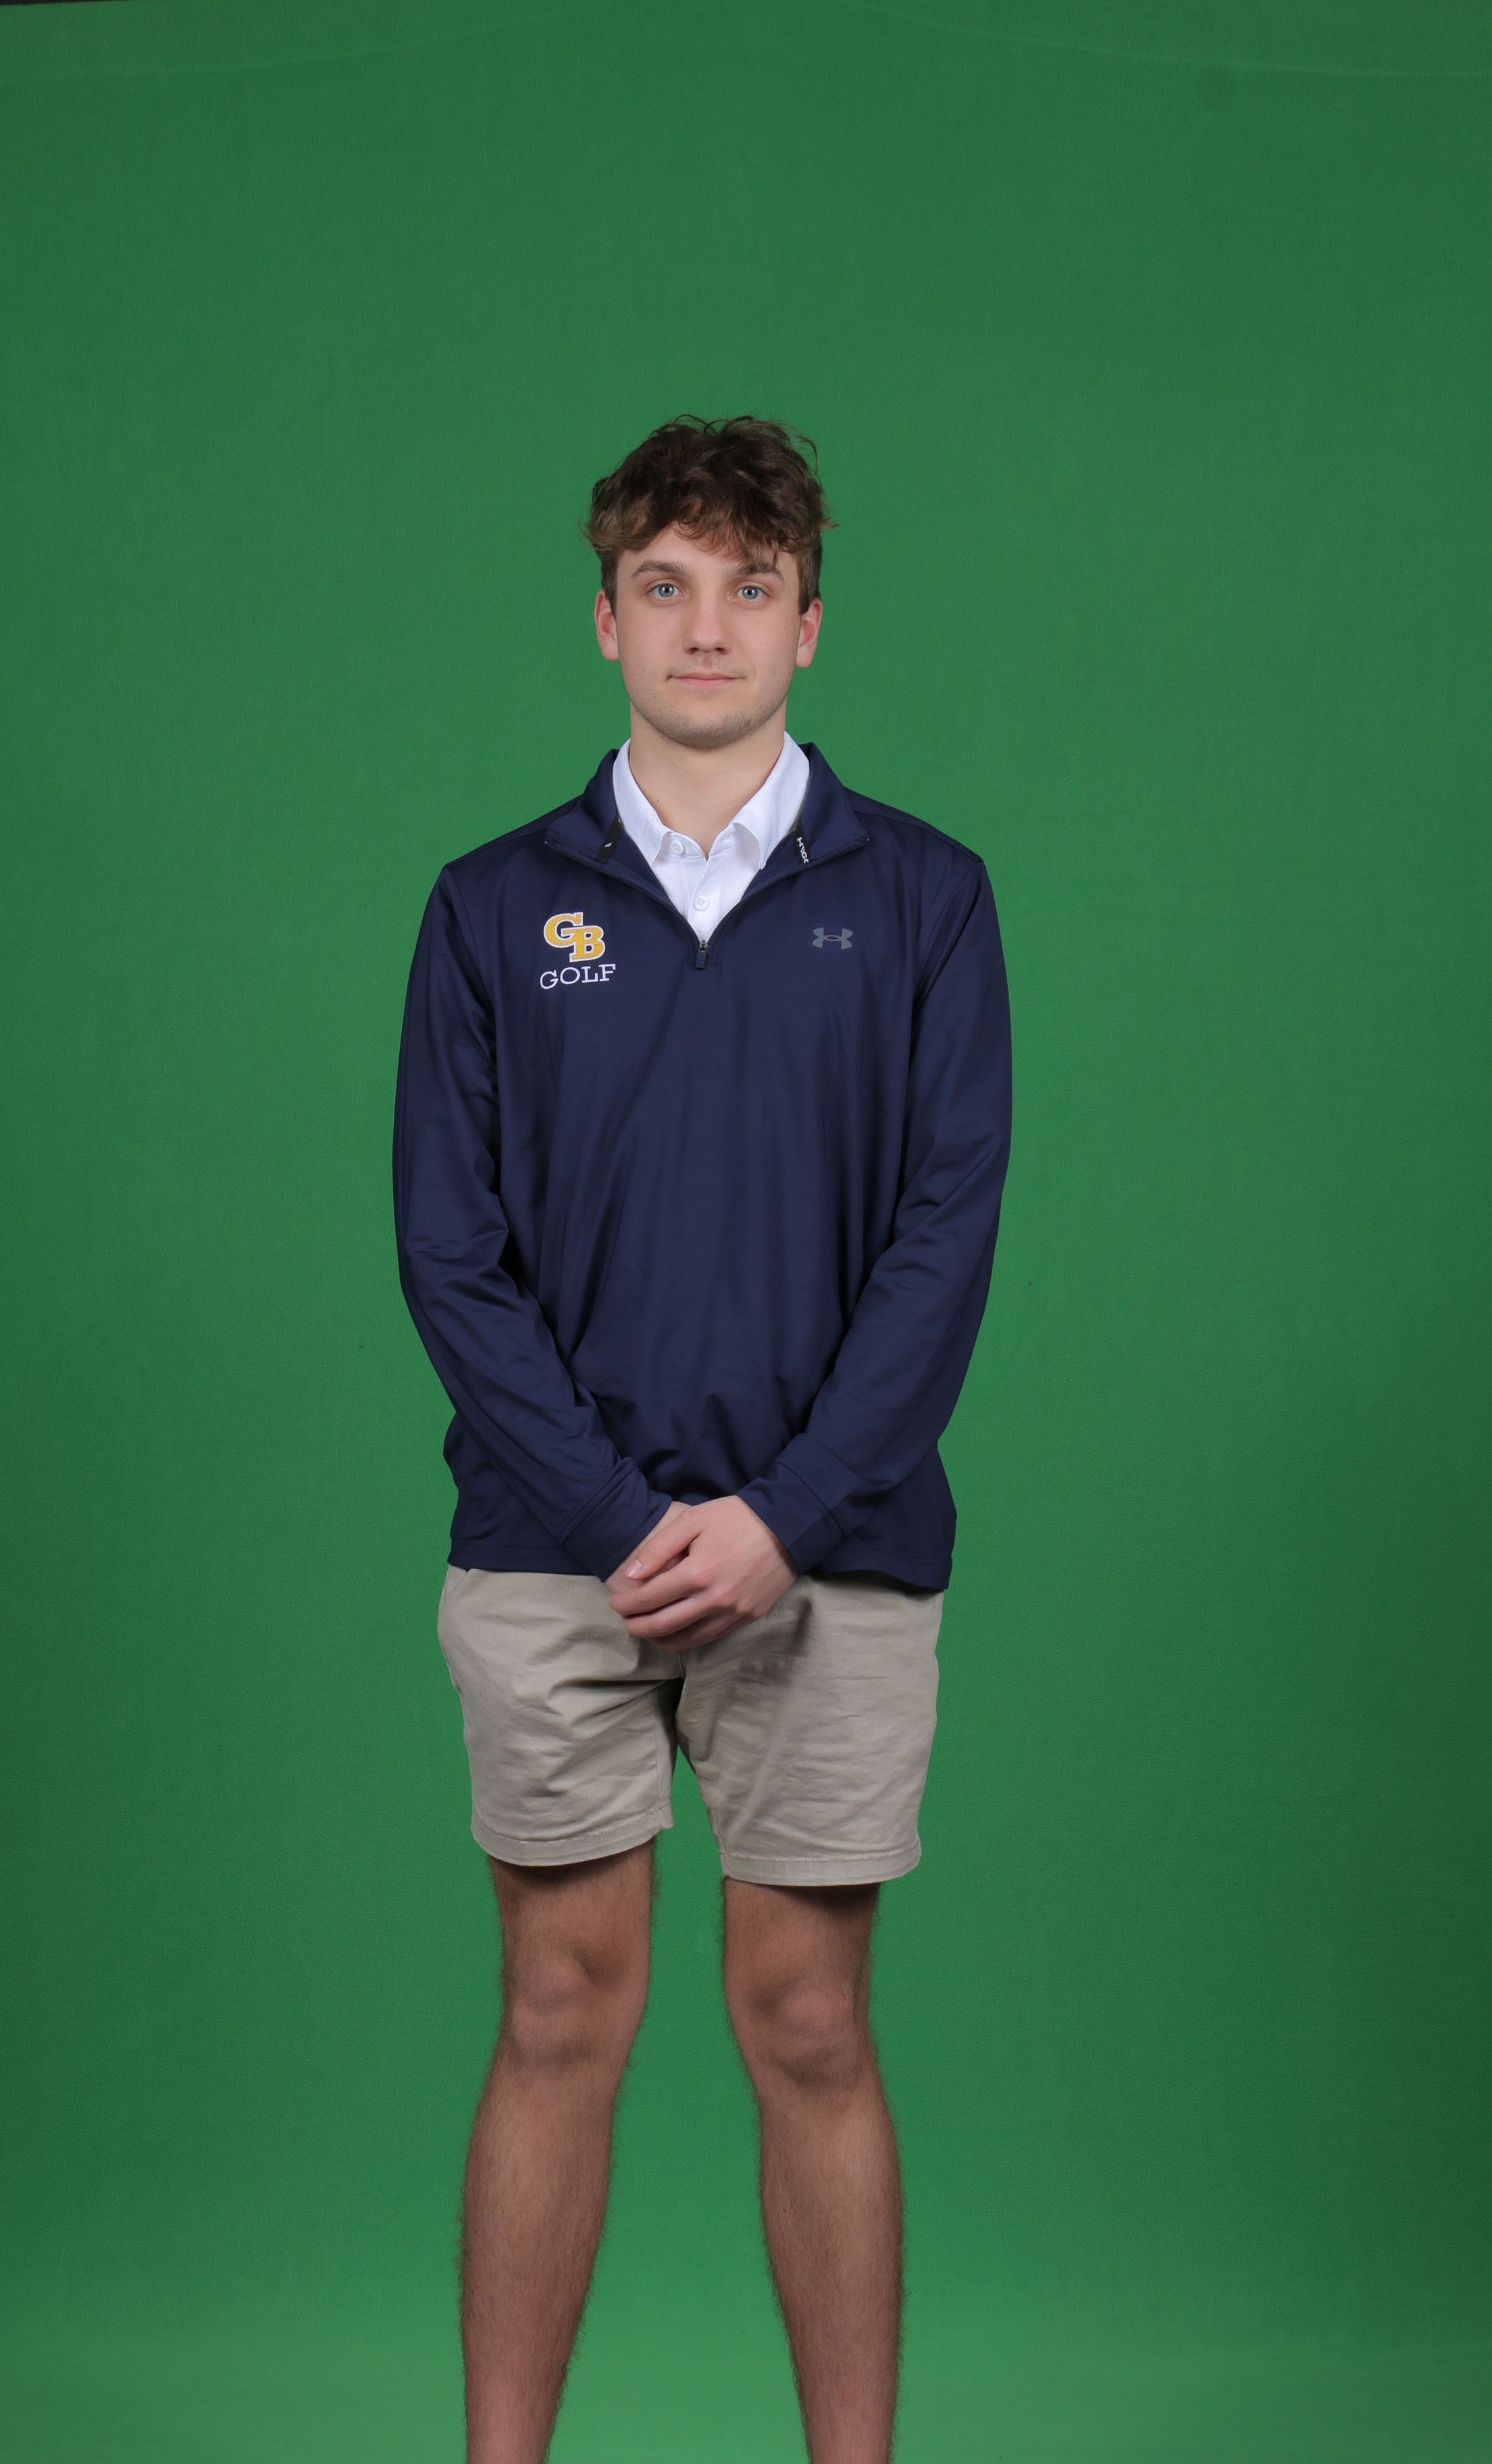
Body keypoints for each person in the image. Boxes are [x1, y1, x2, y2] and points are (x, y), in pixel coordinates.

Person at [393, 415, 1011, 2464]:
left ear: (810, 624)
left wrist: (782, 1517)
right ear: (606, 620)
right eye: (665, 584)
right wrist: (611, 1515)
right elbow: (449, 1251)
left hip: (831, 1560)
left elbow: (943, 1241)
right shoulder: (492, 909)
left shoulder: (925, 900)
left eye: (753, 586)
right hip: (549, 1556)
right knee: (559, 2012)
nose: (708, 624)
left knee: (810, 2023)